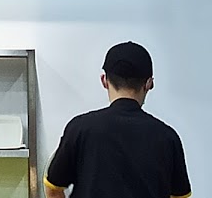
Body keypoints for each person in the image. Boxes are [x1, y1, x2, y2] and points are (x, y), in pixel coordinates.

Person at [45, 42, 191, 198]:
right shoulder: (168, 138)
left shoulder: (79, 129)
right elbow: (180, 196)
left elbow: (53, 187)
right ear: (148, 83)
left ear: (104, 81)